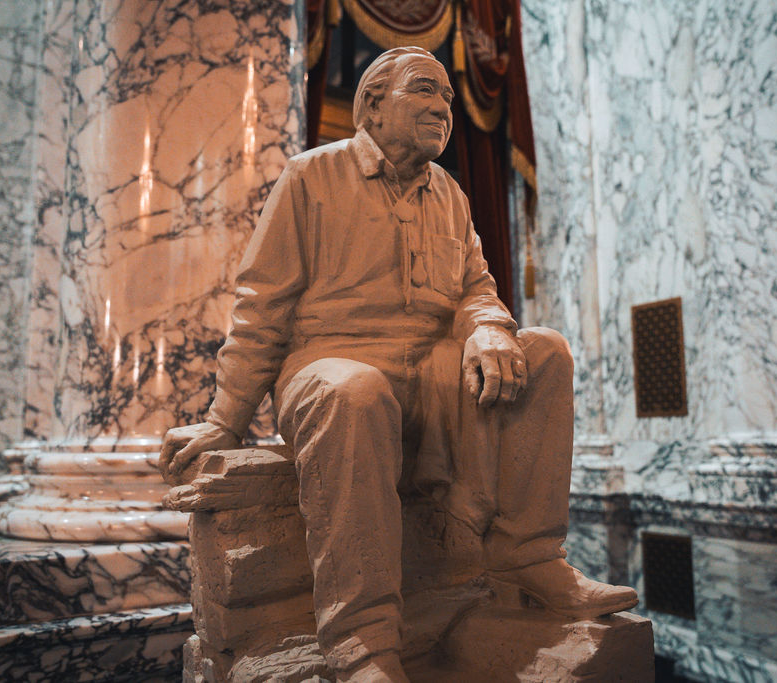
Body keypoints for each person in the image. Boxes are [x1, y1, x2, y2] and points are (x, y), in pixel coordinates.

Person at [160, 47, 636, 683]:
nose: (443, 107)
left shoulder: (452, 194)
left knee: (543, 349)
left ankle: (528, 557)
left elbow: (477, 288)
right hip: (329, 362)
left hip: (433, 371)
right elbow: (260, 308)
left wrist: (489, 328)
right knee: (352, 392)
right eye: (424, 91)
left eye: (446, 96)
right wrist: (225, 419)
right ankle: (362, 645)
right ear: (372, 107)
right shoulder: (311, 176)